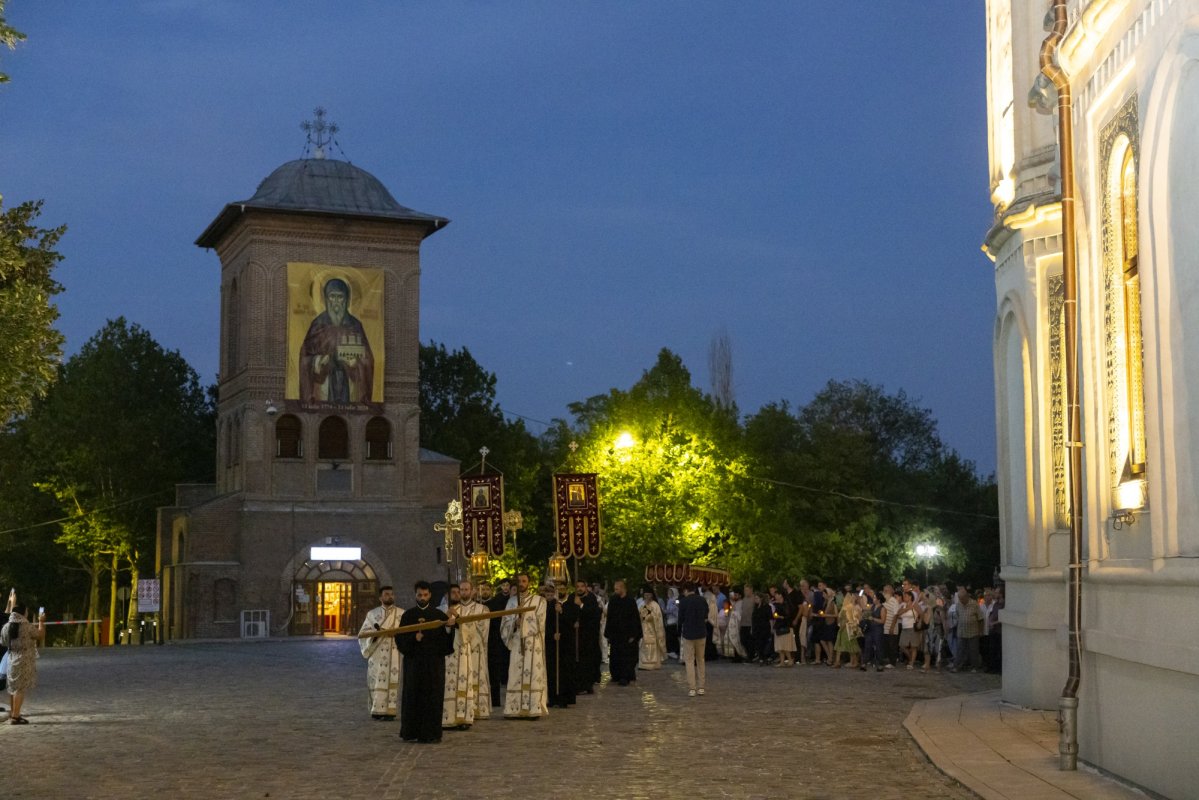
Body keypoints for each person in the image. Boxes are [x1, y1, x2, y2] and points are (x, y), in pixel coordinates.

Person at [395, 581, 456, 743]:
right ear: (415, 595)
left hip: (433, 665)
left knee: (432, 697)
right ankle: (411, 732)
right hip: (414, 664)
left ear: (430, 595)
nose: (422, 598)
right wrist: (413, 638)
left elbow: (446, 640)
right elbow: (399, 638)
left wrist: (449, 627)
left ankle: (431, 733)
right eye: (419, 595)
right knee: (412, 696)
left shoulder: (439, 615)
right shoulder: (408, 616)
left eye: (425, 595)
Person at [298, 277, 375, 404]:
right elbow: (304, 357)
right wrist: (317, 361)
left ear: (347, 299)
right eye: (332, 297)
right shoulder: (318, 325)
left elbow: (368, 359)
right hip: (323, 385)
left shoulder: (355, 325)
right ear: (326, 299)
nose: (336, 302)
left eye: (340, 297)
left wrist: (356, 362)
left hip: (350, 386)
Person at [442, 580, 488, 729]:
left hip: (469, 653)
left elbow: (478, 631)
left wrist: (459, 622)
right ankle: (450, 715)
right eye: (460, 590)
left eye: (466, 589)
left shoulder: (480, 609)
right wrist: (449, 623)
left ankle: (467, 714)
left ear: (472, 591)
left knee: (466, 682)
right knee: (451, 685)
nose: (463, 592)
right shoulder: (449, 609)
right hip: (451, 654)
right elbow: (444, 631)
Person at [501, 573, 548, 718]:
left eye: (524, 581)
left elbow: (540, 623)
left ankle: (533, 708)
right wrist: (514, 622)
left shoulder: (539, 601)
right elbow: (504, 623)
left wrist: (524, 620)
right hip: (516, 642)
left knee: (533, 674)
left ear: (529, 583)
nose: (521, 583)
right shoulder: (511, 602)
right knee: (515, 673)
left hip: (533, 644)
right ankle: (514, 709)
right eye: (519, 581)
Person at [357, 585, 403, 720]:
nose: (390, 596)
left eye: (391, 594)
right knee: (376, 681)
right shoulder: (372, 615)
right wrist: (375, 635)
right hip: (377, 652)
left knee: (392, 681)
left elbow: (407, 632)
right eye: (387, 594)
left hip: (395, 652)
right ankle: (376, 710)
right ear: (380, 597)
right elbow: (363, 634)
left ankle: (390, 711)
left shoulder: (402, 614)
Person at [543, 583, 578, 709]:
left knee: (564, 671)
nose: (550, 596)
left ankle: (564, 698)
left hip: (564, 643)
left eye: (552, 594)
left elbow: (571, 621)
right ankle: (552, 697)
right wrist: (551, 635)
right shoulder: (544, 606)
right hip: (550, 642)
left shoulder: (567, 603)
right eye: (547, 594)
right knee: (551, 671)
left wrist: (561, 612)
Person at [603, 579, 641, 686]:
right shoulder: (613, 600)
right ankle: (616, 675)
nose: (615, 591)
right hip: (615, 635)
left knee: (626, 656)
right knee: (615, 656)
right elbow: (610, 618)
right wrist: (608, 633)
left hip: (627, 635)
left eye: (617, 588)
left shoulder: (630, 601)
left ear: (623, 588)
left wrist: (634, 634)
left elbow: (634, 619)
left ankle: (625, 676)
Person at [481, 580, 509, 708]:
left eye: (486, 589)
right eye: (482, 589)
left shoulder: (496, 603)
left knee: (494, 671)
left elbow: (499, 622)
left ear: (491, 591)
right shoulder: (476, 604)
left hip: (493, 640)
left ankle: (495, 701)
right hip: (479, 642)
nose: (484, 591)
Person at [677, 583, 708, 696]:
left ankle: (692, 688)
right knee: (700, 660)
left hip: (688, 634)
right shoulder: (702, 600)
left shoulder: (684, 602)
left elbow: (680, 619)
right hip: (701, 633)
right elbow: (706, 616)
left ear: (685, 590)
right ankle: (701, 687)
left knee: (689, 661)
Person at [572, 579, 602, 694]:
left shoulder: (591, 598)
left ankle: (587, 684)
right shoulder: (572, 597)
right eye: (577, 586)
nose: (579, 588)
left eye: (581, 586)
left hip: (588, 635)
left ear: (585, 587)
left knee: (587, 661)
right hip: (576, 635)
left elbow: (594, 613)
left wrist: (581, 605)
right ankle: (578, 685)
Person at [951, 587, 985, 672]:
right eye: (959, 599)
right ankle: (957, 666)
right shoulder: (958, 605)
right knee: (960, 650)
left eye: (962, 599)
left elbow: (980, 619)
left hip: (973, 631)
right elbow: (958, 615)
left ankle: (974, 667)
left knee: (973, 650)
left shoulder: (974, 604)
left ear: (967, 597)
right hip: (961, 631)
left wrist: (980, 631)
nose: (961, 600)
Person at [637, 588, 667, 670]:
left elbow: (658, 617)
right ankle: (643, 665)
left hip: (653, 629)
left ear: (652, 595)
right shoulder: (641, 604)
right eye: (645, 595)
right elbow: (638, 615)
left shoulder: (655, 605)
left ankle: (653, 665)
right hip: (643, 628)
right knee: (643, 645)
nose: (646, 597)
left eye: (648, 595)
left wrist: (651, 616)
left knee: (652, 646)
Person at [834, 590, 862, 669]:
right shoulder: (851, 607)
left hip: (845, 629)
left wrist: (841, 628)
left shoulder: (847, 608)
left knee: (844, 645)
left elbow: (846, 619)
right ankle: (840, 661)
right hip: (850, 628)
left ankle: (839, 662)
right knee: (849, 646)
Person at [770, 587, 796, 667]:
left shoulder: (786, 604)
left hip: (785, 626)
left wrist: (781, 617)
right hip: (779, 626)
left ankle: (790, 660)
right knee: (780, 646)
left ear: (781, 595)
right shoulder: (777, 604)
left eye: (777, 594)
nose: (775, 596)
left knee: (785, 646)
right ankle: (782, 661)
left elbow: (788, 615)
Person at [664, 587, 680, 660]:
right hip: (669, 620)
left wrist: (666, 611)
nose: (669, 594)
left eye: (671, 592)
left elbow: (676, 608)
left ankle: (673, 650)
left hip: (673, 620)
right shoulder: (669, 600)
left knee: (672, 637)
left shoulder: (676, 600)